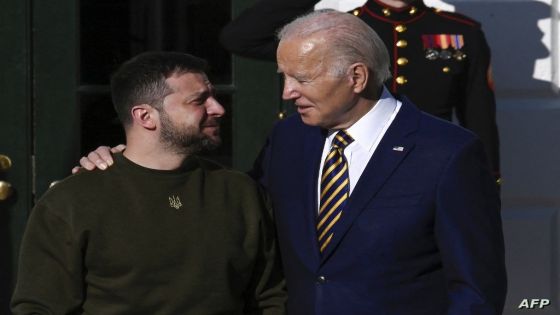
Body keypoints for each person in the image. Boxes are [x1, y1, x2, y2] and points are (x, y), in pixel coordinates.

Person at [76, 11, 507, 315]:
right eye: (284, 77)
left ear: (356, 77)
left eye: (301, 78)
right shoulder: (290, 137)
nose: (287, 93)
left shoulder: (447, 153)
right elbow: (235, 212)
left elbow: (475, 288)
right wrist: (129, 164)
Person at [11, 52, 286, 315]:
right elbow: (39, 307)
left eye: (213, 97)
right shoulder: (71, 201)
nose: (218, 108)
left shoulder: (240, 192)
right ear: (145, 116)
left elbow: (268, 297)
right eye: (199, 100)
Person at [219, 0, 501, 184]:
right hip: (346, 168)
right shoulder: (340, 30)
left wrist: (486, 188)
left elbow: (479, 121)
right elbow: (241, 37)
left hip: (427, 171)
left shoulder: (460, 33)